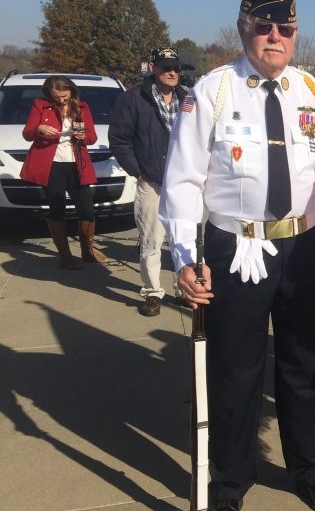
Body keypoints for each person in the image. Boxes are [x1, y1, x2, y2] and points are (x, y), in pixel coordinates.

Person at [160, 0, 315, 511]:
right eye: (264, 26)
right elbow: (182, 182)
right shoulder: (214, 92)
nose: (275, 37)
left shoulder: (313, 94)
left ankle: (311, 468)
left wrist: (309, 213)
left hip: (306, 244)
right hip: (235, 243)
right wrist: (185, 256)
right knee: (236, 369)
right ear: (244, 27)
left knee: (308, 362)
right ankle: (229, 484)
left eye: (285, 28)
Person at [109, 47, 189, 316]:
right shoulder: (132, 99)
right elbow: (119, 140)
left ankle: (183, 289)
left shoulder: (188, 98)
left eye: (176, 67)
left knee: (183, 241)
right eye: (166, 68)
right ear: (152, 67)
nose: (172, 72)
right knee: (152, 241)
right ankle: (153, 293)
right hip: (151, 182)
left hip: (183, 184)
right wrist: (137, 171)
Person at [21, 75, 108, 269]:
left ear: (71, 91)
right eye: (57, 97)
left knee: (87, 209)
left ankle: (88, 251)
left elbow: (92, 137)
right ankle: (65, 256)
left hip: (77, 164)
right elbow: (27, 133)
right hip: (52, 165)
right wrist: (40, 129)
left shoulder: (82, 107)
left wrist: (82, 135)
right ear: (49, 95)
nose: (61, 100)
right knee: (57, 208)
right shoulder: (40, 106)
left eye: (64, 96)